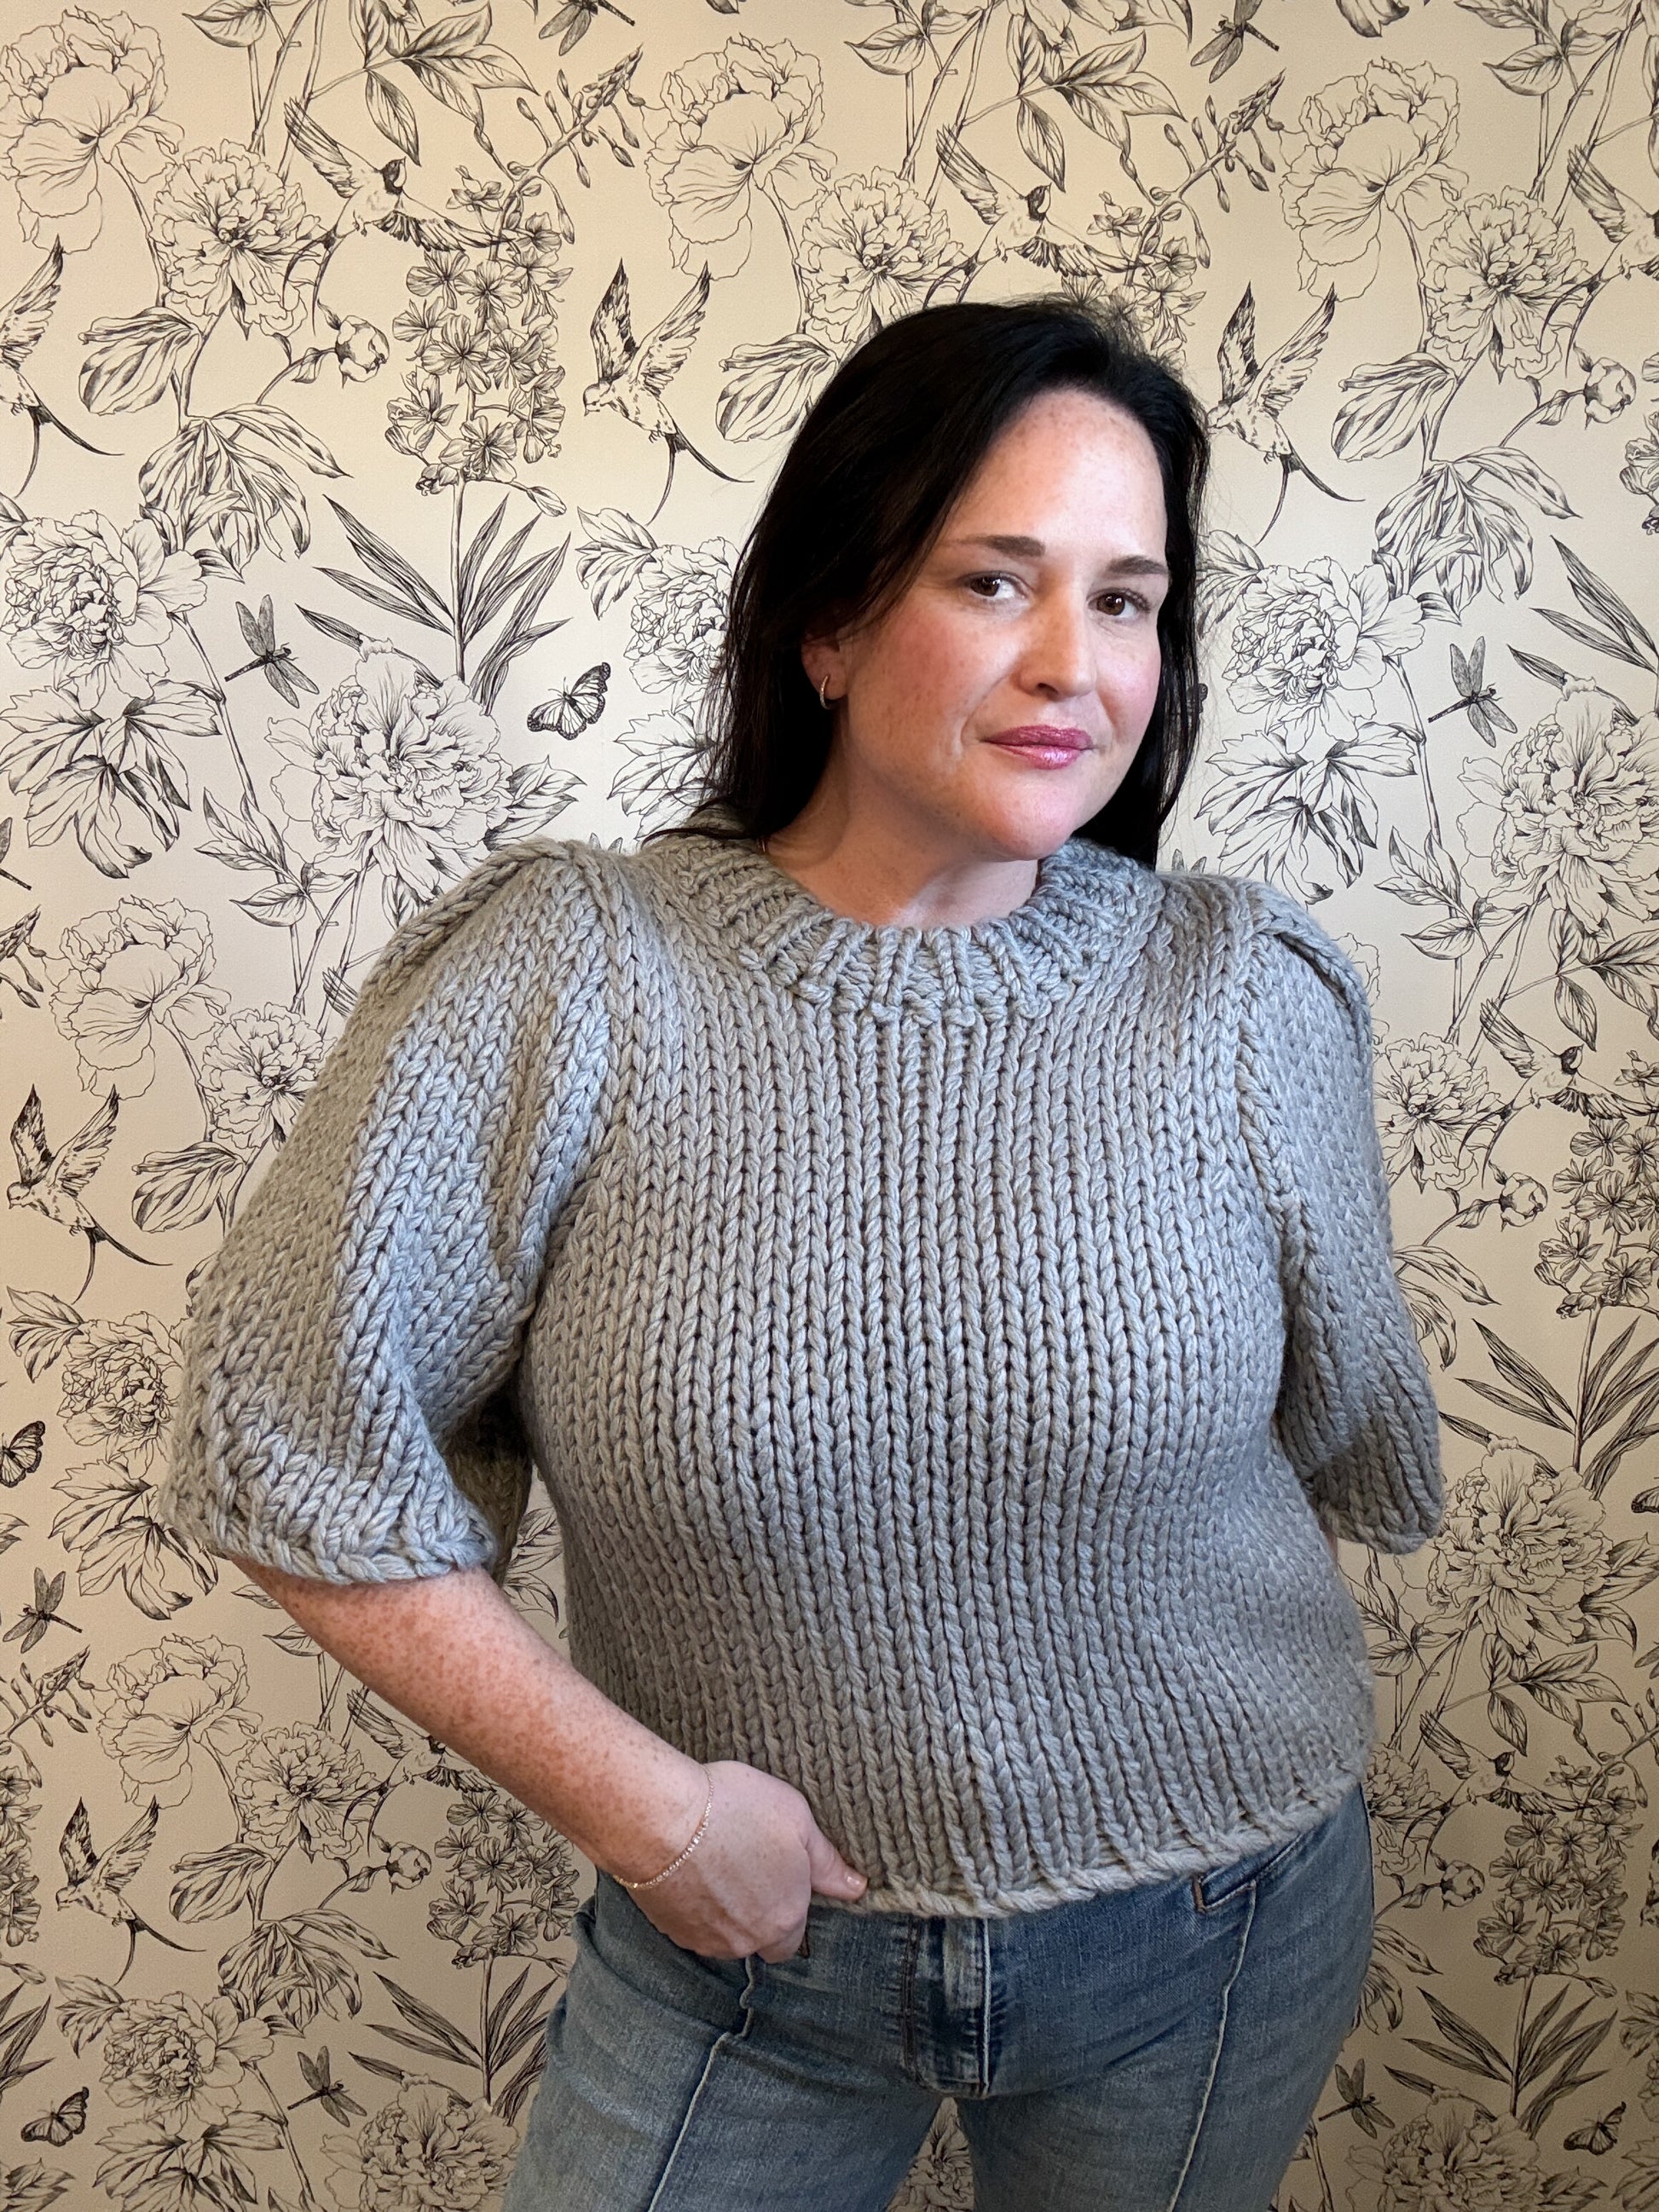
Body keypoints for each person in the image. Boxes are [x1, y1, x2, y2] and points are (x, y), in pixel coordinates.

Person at [156, 294, 1443, 2212]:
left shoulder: (1243, 996)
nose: (1074, 664)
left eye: (1126, 600)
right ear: (828, 624)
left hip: (1216, 1922)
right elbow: (288, 1445)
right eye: (993, 580)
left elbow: (1347, 1443)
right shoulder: (572, 976)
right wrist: (647, 1814)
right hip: (739, 1960)